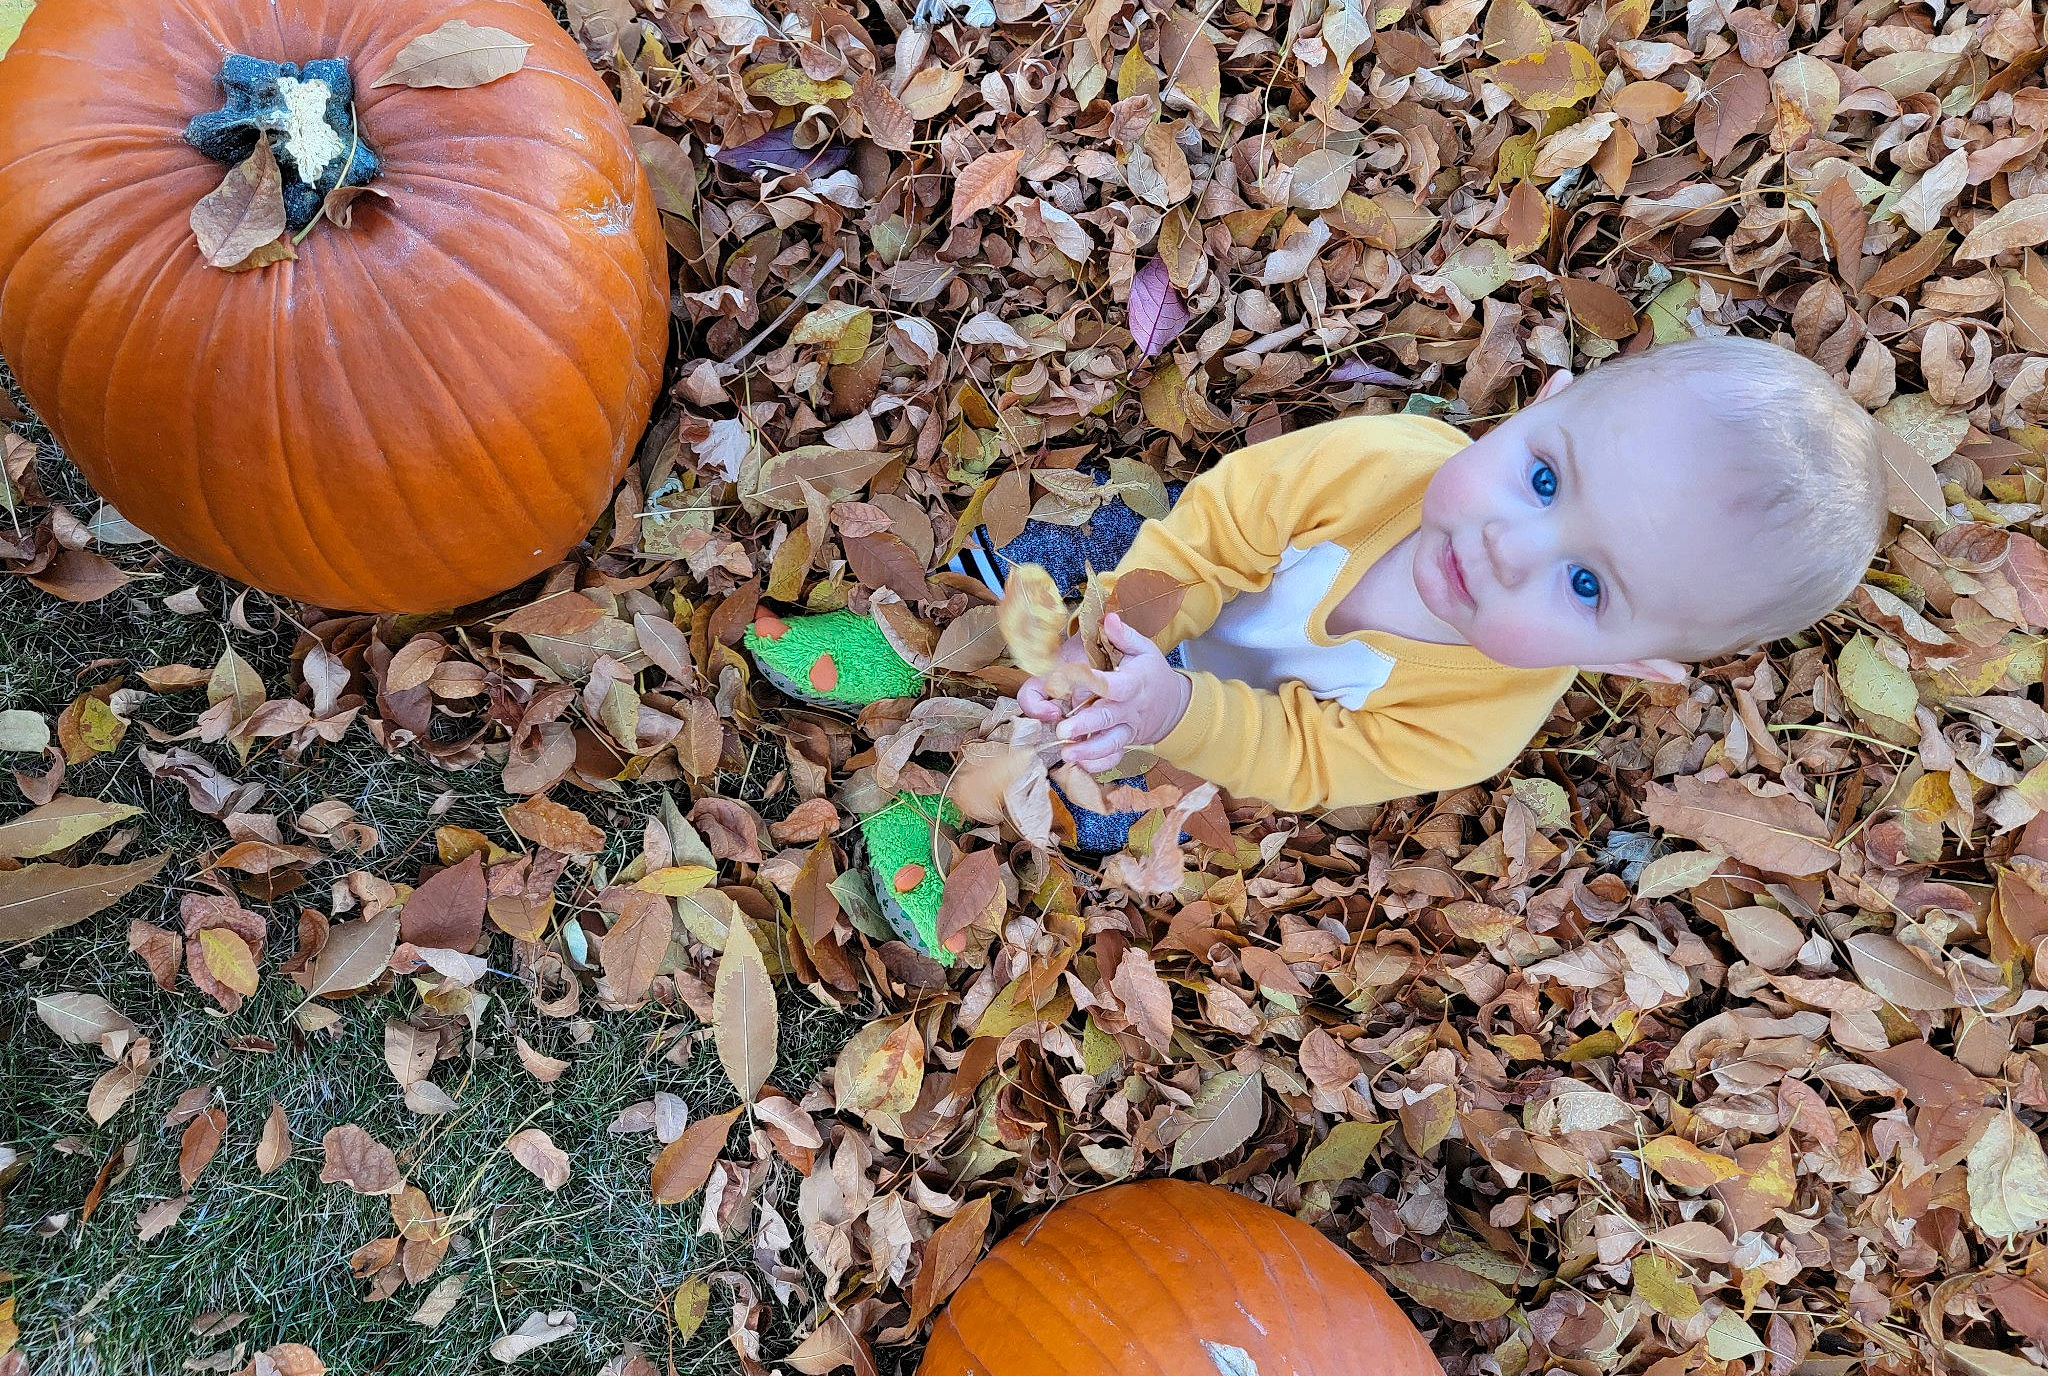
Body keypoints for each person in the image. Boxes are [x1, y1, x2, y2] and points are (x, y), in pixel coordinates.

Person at [745, 337, 1889, 957]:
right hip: (1158, 599)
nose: (1504, 544)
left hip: (1209, 734)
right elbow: (1222, 524)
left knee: (1114, 796)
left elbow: (1306, 759)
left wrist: (1166, 715)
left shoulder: (1476, 717)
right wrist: (1126, 635)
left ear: (1635, 662)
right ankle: (931, 658)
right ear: (1545, 399)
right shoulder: (1386, 463)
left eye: (1584, 583)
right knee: (1052, 573)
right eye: (1541, 475)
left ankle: (959, 827)